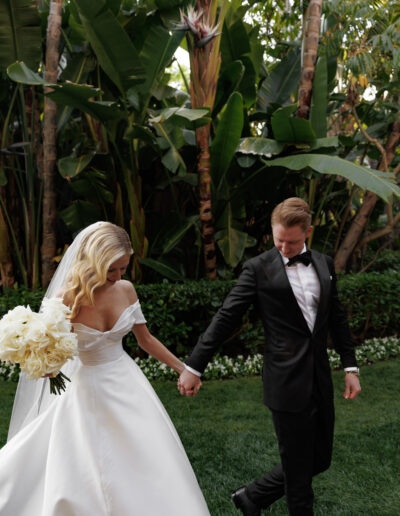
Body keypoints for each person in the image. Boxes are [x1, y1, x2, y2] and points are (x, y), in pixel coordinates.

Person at [0, 221, 210, 516]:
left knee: (145, 452)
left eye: (123, 268)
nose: (118, 275)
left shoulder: (126, 289)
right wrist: (47, 365)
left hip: (125, 382)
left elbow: (146, 340)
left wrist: (184, 369)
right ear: (94, 261)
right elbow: (54, 349)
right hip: (85, 387)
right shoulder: (66, 298)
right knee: (82, 458)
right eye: (112, 269)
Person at [178, 197, 361, 515]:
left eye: (292, 242)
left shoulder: (324, 263)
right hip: (285, 381)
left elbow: (337, 318)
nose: (285, 248)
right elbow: (226, 318)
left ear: (308, 232)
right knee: (299, 475)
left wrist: (350, 365)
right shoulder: (257, 269)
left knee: (319, 459)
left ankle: (252, 497)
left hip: (319, 376)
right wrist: (194, 365)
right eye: (279, 240)